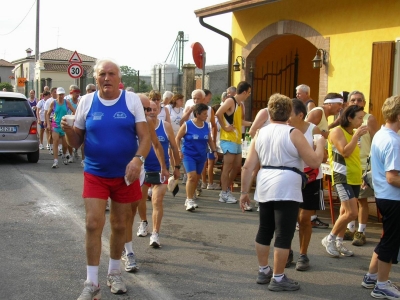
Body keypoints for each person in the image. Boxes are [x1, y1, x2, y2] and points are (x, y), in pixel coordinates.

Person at [61, 58, 150, 299]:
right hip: (95, 173)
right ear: (96, 78)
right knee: (92, 223)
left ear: (119, 79)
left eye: (111, 74)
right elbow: (76, 142)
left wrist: (137, 160)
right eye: (102, 74)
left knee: (120, 225)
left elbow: (145, 138)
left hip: (126, 176)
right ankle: (91, 283)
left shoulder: (131, 100)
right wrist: (69, 132)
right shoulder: (87, 102)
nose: (107, 78)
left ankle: (114, 272)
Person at [239, 93, 325, 291]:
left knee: (265, 229)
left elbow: (248, 166)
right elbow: (313, 161)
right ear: (288, 113)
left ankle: (264, 270)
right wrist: (320, 145)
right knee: (283, 234)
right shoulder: (293, 132)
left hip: (265, 182)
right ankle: (278, 278)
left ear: (269, 112)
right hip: (287, 184)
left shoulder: (261, 133)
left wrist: (244, 192)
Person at [124, 93, 168, 272]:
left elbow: (156, 145)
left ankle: (127, 247)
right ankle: (127, 252)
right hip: (119, 171)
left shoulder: (147, 123)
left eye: (150, 109)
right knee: (122, 214)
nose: (148, 112)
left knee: (132, 210)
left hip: (139, 172)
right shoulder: (125, 120)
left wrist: (164, 167)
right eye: (145, 109)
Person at [361, 95, 400, 299]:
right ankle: (381, 285)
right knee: (390, 242)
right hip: (392, 197)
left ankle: (371, 277)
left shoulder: (382, 135)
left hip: (384, 195)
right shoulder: (393, 141)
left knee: (387, 238)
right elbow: (393, 178)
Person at [321, 105, 368, 257]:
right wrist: (355, 137)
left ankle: (339, 243)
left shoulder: (353, 133)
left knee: (343, 211)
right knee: (352, 212)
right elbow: (345, 152)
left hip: (354, 178)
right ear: (349, 117)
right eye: (359, 118)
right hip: (342, 177)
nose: (361, 121)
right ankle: (330, 239)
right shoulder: (337, 131)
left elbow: (354, 158)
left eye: (363, 117)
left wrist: (362, 176)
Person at [287, 99, 324, 271]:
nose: (286, 117)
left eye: (289, 113)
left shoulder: (313, 129)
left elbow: (321, 155)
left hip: (312, 178)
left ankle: (303, 254)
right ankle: (287, 251)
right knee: (289, 217)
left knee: (304, 219)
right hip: (291, 177)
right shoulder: (284, 129)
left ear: (300, 115)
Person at [141, 101, 180, 247]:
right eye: (148, 109)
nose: (151, 112)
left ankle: (155, 234)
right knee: (140, 200)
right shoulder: (139, 125)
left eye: (154, 109)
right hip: (143, 169)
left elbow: (174, 148)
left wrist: (177, 167)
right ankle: (144, 222)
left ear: (159, 111)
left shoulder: (166, 126)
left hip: (160, 169)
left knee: (157, 201)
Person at [343, 91, 379, 247]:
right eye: (352, 100)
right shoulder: (346, 119)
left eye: (359, 100)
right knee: (350, 201)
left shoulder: (369, 119)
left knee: (362, 200)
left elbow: (376, 142)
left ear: (364, 102)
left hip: (364, 165)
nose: (356, 102)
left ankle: (361, 231)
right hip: (348, 165)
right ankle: (350, 229)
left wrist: (372, 167)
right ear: (348, 103)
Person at [305, 93, 344, 229]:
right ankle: (306, 219)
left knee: (315, 188)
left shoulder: (324, 115)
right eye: (339, 104)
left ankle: (310, 218)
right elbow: (305, 130)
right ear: (329, 103)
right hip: (310, 158)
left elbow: (322, 132)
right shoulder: (318, 112)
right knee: (311, 188)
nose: (340, 107)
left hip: (316, 156)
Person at [175, 103, 218, 211]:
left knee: (197, 177)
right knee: (192, 177)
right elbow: (177, 138)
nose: (206, 116)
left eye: (206, 113)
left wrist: (214, 151)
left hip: (201, 155)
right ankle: (189, 200)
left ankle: (191, 195)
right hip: (189, 155)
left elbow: (209, 140)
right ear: (197, 114)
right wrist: (179, 150)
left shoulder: (206, 126)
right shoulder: (187, 125)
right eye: (204, 114)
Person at [216, 81, 252, 204]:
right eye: (249, 92)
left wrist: (255, 124)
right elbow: (218, 113)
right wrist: (225, 128)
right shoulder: (230, 101)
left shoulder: (240, 104)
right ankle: (224, 193)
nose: (249, 95)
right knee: (228, 166)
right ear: (245, 92)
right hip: (228, 138)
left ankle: (226, 191)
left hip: (236, 139)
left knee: (237, 167)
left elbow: (240, 122)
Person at [46, 87, 76, 168]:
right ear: (57, 94)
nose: (61, 96)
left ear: (64, 95)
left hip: (64, 125)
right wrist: (48, 124)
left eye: (62, 94)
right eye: (59, 94)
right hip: (55, 124)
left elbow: (74, 111)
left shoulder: (67, 102)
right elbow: (48, 114)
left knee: (65, 145)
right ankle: (55, 161)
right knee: (55, 142)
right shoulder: (53, 103)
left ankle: (63, 155)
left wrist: (71, 119)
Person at [44, 87, 57, 153]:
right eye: (55, 92)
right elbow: (46, 112)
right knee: (51, 134)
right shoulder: (48, 101)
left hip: (57, 119)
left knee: (59, 134)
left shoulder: (60, 100)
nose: (56, 93)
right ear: (51, 93)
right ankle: (50, 146)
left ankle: (59, 148)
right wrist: (46, 121)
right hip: (51, 119)